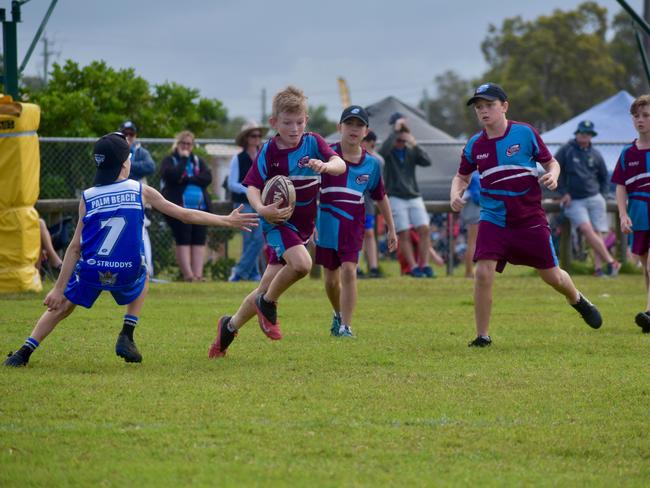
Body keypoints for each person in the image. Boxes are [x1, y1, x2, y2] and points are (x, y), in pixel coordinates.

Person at [4, 132, 258, 367]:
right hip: (127, 271)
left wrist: (58, 289)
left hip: (92, 270)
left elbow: (74, 248)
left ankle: (23, 353)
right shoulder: (140, 190)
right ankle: (127, 332)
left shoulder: (88, 196)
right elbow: (184, 215)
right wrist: (226, 219)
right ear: (125, 163)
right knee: (144, 271)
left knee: (62, 307)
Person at [450, 82, 602, 347]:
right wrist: (456, 193)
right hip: (494, 218)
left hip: (529, 219)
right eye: (479, 107)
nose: (483, 111)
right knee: (483, 273)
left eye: (489, 105)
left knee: (551, 276)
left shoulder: (525, 133)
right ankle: (482, 336)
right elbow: (461, 176)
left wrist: (553, 176)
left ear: (504, 106)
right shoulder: (475, 144)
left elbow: (551, 163)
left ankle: (577, 298)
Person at [208, 86, 346, 358]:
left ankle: (228, 328)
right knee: (303, 264)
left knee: (264, 285)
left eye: (299, 122)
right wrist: (262, 209)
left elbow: (340, 164)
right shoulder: (270, 151)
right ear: (274, 123)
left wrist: (327, 166)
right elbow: (252, 187)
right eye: (287, 123)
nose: (294, 128)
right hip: (278, 223)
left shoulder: (313, 142)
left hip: (303, 227)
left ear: (306, 120)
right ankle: (268, 304)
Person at [316, 106, 398, 337]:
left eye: (359, 125)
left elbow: (380, 196)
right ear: (339, 127)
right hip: (326, 225)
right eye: (349, 123)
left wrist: (392, 229)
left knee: (349, 272)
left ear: (366, 131)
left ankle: (346, 327)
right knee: (331, 280)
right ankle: (337, 314)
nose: (354, 129)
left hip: (352, 226)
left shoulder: (371, 164)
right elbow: (311, 190)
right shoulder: (326, 156)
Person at [555, 120, 619, 277]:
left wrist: (603, 195)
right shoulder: (566, 150)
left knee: (599, 232)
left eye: (588, 134)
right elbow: (554, 170)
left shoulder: (596, 153)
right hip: (574, 200)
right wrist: (563, 193)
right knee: (586, 229)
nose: (585, 136)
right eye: (582, 133)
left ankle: (598, 269)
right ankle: (611, 262)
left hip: (595, 197)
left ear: (591, 136)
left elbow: (604, 177)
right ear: (577, 133)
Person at [611, 95, 650, 333]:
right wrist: (623, 215)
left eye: (646, 115)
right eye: (636, 116)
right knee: (646, 267)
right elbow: (620, 186)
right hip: (639, 213)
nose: (640, 120)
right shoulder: (627, 153)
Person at [379, 112, 434, 278]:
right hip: (395, 196)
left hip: (413, 195)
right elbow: (382, 153)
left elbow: (427, 161)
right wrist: (394, 132)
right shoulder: (389, 149)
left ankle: (424, 265)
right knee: (403, 233)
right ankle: (413, 267)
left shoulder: (411, 150)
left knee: (424, 228)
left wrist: (414, 142)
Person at [160, 131, 212, 281]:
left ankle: (198, 275)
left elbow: (207, 177)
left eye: (189, 144)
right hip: (178, 208)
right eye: (183, 143)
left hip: (200, 207)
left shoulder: (197, 161)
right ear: (177, 144)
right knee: (183, 238)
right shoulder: (170, 160)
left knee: (199, 239)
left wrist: (187, 178)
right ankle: (188, 275)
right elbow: (172, 176)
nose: (186, 146)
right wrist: (183, 160)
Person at [227, 121, 267, 282]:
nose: (256, 138)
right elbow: (232, 183)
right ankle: (246, 273)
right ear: (246, 138)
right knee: (250, 239)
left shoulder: (263, 156)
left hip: (260, 203)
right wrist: (250, 189)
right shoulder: (238, 158)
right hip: (244, 203)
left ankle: (245, 273)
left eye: (258, 135)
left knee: (257, 238)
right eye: (253, 135)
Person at [120, 120, 157, 277]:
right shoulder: (116, 148)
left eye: (131, 134)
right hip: (121, 197)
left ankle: (147, 271)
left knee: (141, 231)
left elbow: (150, 167)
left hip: (139, 198)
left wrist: (128, 164)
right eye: (125, 133)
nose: (128, 137)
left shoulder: (141, 151)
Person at [360, 130, 385, 278]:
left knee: (368, 233)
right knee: (355, 234)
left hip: (368, 202)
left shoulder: (376, 160)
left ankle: (374, 267)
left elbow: (378, 185)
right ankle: (356, 267)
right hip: (355, 200)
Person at [461, 171, 480, 278]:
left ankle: (470, 271)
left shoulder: (470, 174)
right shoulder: (476, 175)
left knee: (472, 242)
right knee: (472, 242)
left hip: (472, 210)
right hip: (475, 209)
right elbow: (476, 196)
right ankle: (469, 272)